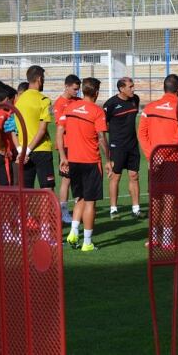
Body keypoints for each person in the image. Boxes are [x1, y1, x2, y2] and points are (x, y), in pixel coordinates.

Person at [57, 77, 111, 252]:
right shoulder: (97, 111)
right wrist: (108, 159)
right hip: (90, 161)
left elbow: (59, 132)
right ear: (96, 92)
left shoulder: (69, 107)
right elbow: (102, 138)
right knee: (90, 202)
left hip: (73, 160)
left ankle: (73, 232)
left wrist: (63, 156)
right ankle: (87, 242)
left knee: (79, 198)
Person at [138, 74, 178, 248]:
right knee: (169, 199)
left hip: (153, 160)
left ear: (164, 88)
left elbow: (142, 134)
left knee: (154, 199)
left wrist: (152, 155)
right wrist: (163, 154)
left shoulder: (149, 108)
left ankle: (153, 239)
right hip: (172, 160)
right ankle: (167, 240)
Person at [103, 77, 142, 220]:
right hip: (117, 147)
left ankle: (136, 209)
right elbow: (102, 126)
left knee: (134, 176)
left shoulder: (135, 100)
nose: (133, 89)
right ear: (121, 89)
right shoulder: (110, 104)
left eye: (133, 86)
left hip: (133, 146)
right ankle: (113, 209)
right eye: (130, 87)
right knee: (115, 177)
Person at [15, 65, 55, 190]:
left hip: (24, 151)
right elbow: (42, 130)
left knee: (26, 190)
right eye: (43, 78)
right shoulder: (44, 100)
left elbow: (13, 128)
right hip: (41, 149)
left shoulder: (19, 101)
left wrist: (23, 151)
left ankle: (28, 211)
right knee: (47, 189)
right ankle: (47, 211)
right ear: (39, 79)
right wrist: (28, 150)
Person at [53, 75, 81, 223]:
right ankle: (63, 212)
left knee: (79, 178)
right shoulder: (59, 104)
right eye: (75, 89)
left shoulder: (78, 102)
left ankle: (79, 210)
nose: (77, 92)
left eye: (78, 89)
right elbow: (61, 127)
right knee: (67, 179)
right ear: (66, 86)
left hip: (79, 145)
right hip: (66, 145)